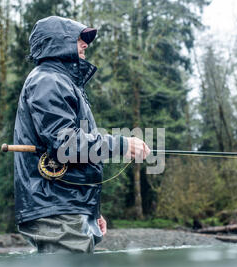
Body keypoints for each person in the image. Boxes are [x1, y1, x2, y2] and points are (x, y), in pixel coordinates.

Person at [14, 16, 150, 254]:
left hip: (66, 206)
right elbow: (66, 144)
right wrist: (121, 144)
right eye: (79, 38)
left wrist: (91, 210)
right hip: (55, 208)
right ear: (57, 42)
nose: (85, 44)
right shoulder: (48, 81)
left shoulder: (60, 82)